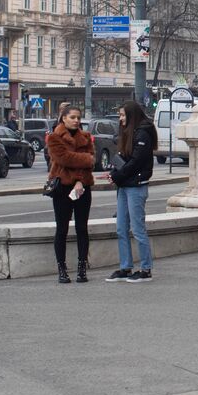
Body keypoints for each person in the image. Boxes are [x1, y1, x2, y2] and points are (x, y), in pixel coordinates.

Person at [105, 100, 156, 281]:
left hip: (136, 185)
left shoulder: (143, 134)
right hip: (125, 185)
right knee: (121, 228)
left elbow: (136, 162)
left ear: (131, 115)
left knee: (137, 228)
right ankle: (125, 267)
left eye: (123, 115)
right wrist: (114, 173)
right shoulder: (128, 133)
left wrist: (117, 176)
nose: (120, 119)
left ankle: (145, 269)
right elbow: (123, 157)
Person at [45, 105, 95, 283]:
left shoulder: (86, 137)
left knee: (82, 228)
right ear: (63, 118)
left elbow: (90, 164)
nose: (76, 120)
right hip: (62, 188)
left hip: (82, 187)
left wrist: (81, 180)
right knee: (62, 229)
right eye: (72, 117)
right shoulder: (54, 137)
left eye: (78, 117)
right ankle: (62, 269)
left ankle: (82, 268)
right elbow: (63, 158)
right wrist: (85, 159)